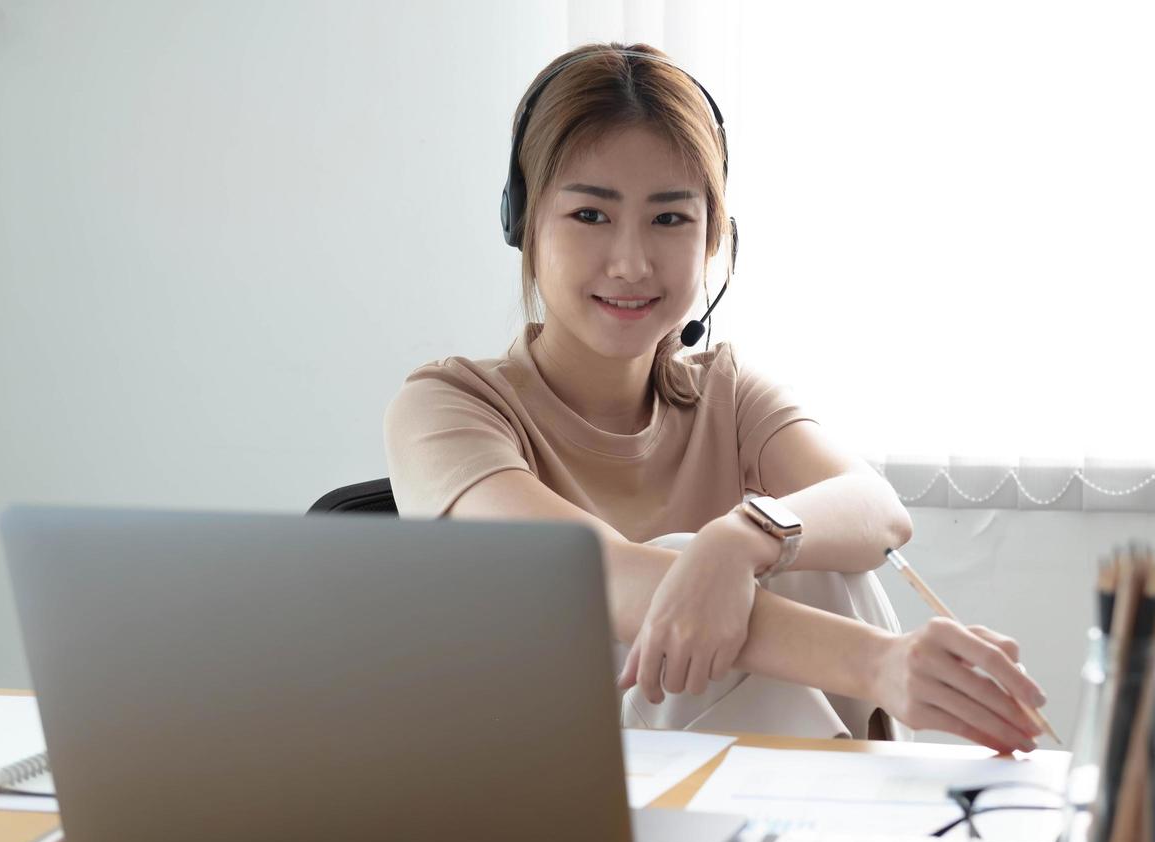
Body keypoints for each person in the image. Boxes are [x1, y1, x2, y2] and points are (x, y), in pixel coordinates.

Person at [383, 41, 1046, 753]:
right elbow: (604, 582)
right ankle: (848, 821)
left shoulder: (722, 391)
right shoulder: (447, 407)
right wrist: (878, 664)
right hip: (548, 775)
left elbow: (875, 507)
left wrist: (740, 541)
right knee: (683, 569)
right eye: (589, 216)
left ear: (711, 239)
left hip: (722, 781)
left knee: (808, 562)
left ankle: (849, 826)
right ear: (525, 224)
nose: (631, 261)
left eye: (669, 219)